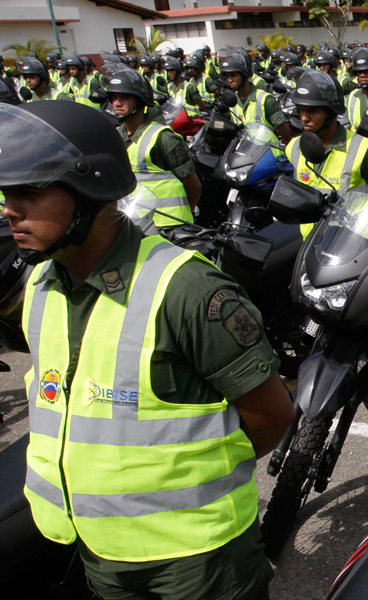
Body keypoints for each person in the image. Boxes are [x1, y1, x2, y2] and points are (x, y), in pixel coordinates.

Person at [0, 99, 294, 600]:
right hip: (97, 548)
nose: (9, 209)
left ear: (90, 189)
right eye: (7, 193)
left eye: (29, 192)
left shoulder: (188, 290)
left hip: (196, 560)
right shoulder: (43, 284)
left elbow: (269, 417)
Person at [285, 70, 368, 239]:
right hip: (311, 241)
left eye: (313, 111)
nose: (304, 118)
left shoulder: (362, 149)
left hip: (354, 244)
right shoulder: (294, 147)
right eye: (301, 110)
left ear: (332, 113)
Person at [106, 69, 201, 230]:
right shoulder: (114, 137)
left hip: (171, 225)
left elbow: (194, 186)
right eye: (114, 98)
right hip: (134, 224)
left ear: (141, 100)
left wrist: (188, 212)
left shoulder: (163, 138)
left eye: (125, 98)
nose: (117, 103)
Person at [220, 53, 291, 147]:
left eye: (233, 75)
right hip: (245, 155)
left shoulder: (265, 99)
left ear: (244, 75)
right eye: (227, 76)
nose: (229, 80)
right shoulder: (233, 101)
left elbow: (285, 133)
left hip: (269, 156)